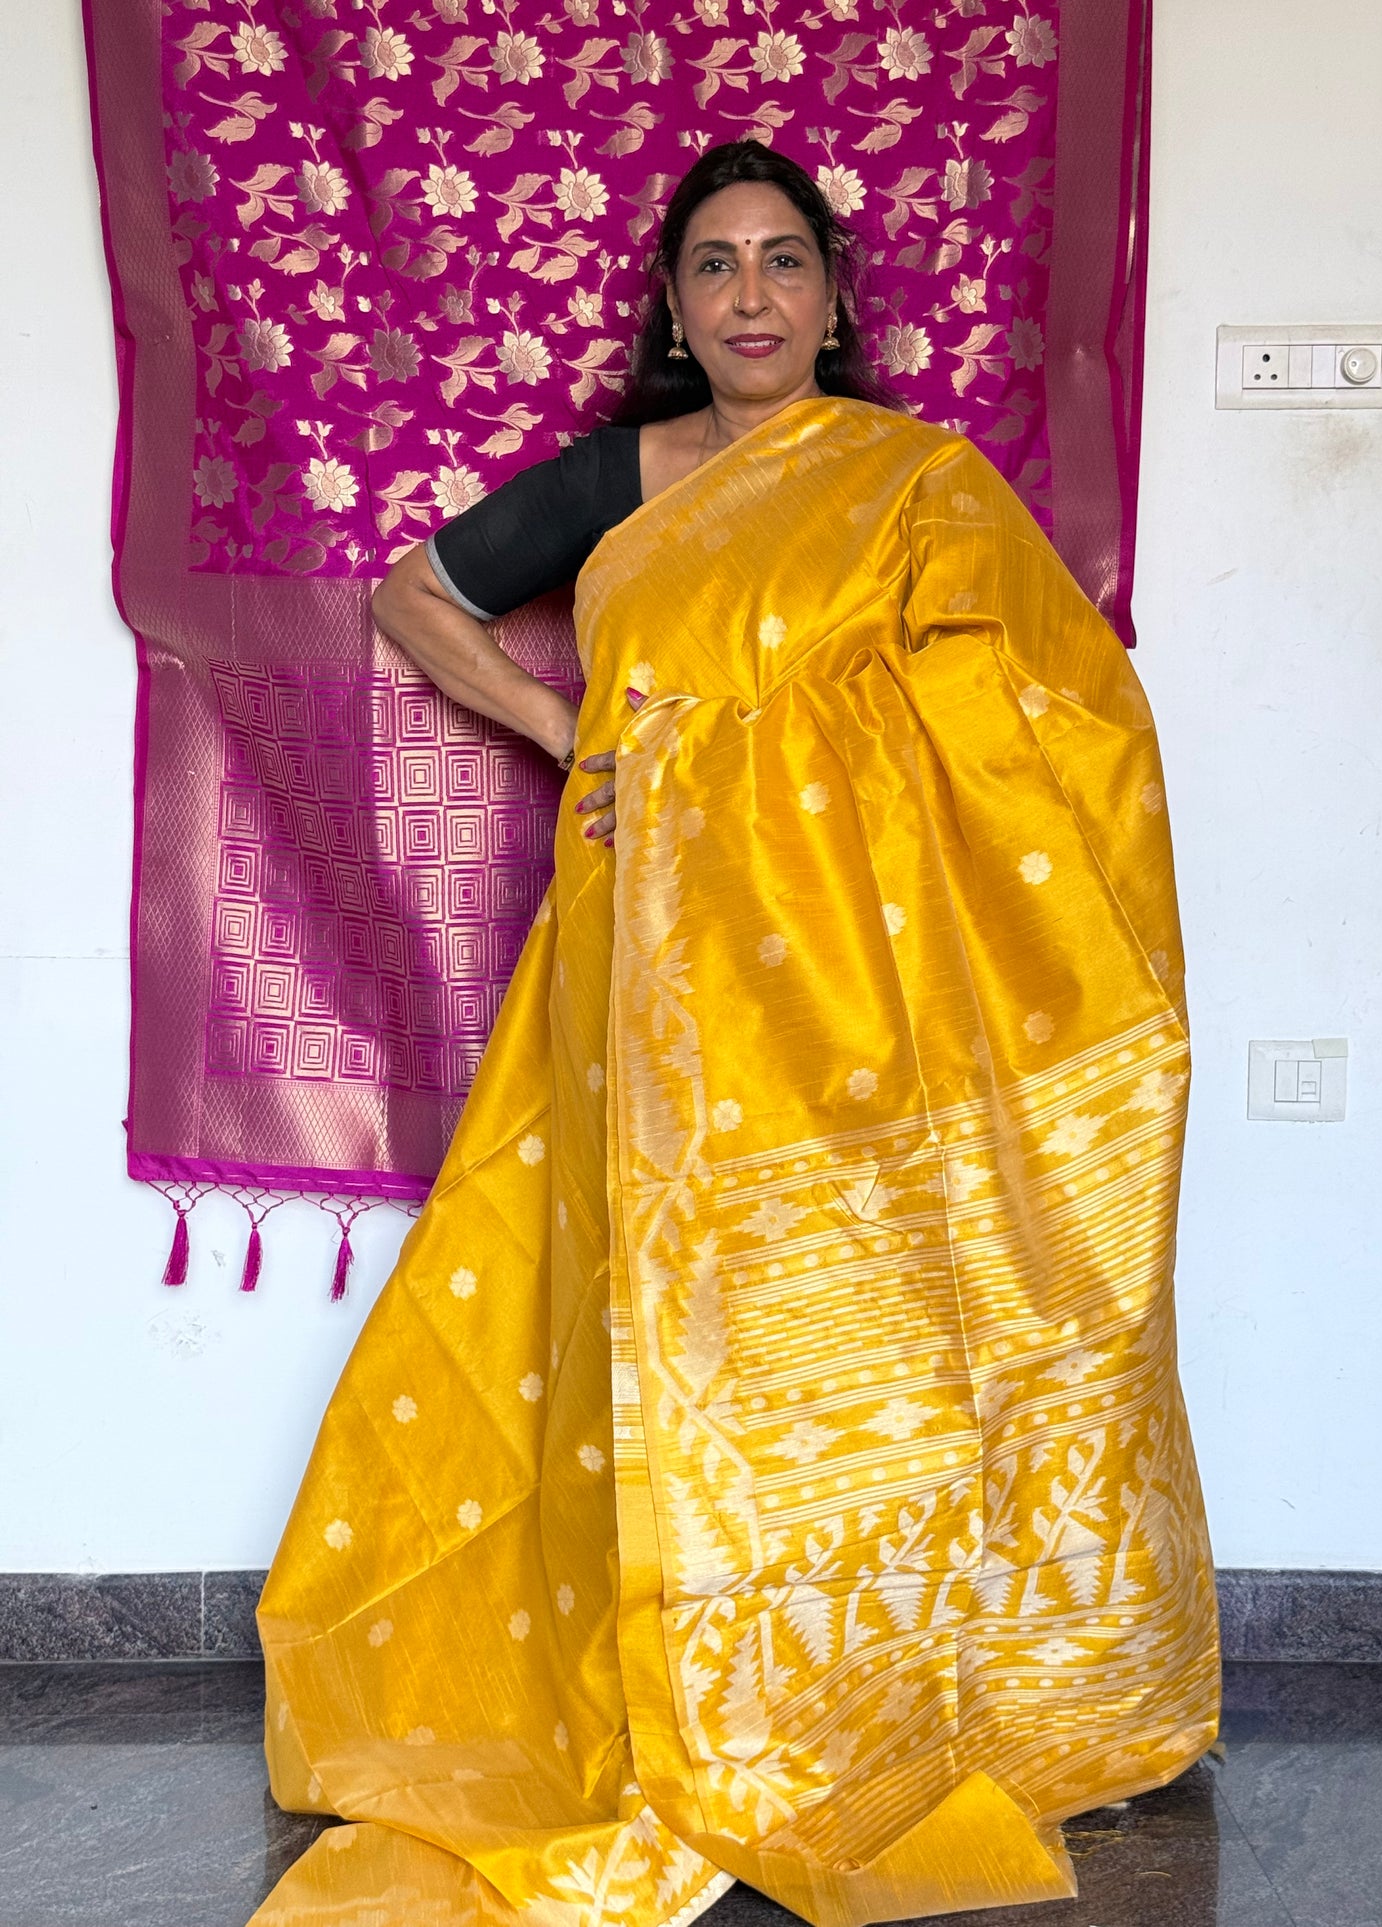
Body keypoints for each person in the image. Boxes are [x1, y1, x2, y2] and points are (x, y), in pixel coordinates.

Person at [250, 141, 1218, 1927]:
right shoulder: (622, 479)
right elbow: (413, 596)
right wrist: (563, 735)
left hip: (875, 985)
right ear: (676, 310)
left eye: (785, 263)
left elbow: (1040, 710)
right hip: (656, 976)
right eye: (715, 268)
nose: (754, 298)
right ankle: (676, 1666)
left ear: (836, 299)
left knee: (866, 1311)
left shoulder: (913, 484)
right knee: (661, 1310)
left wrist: (788, 760)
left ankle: (876, 1692)